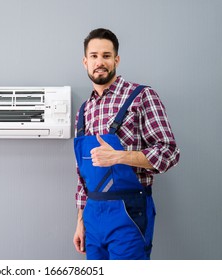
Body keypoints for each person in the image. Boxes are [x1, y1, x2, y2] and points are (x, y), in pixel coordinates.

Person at [73, 28, 180, 260]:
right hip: (92, 216)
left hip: (129, 212)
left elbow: (169, 153)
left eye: (106, 55)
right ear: (85, 62)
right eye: (93, 56)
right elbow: (82, 177)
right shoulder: (84, 110)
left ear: (116, 60)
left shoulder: (141, 96)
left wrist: (119, 156)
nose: (99, 62)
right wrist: (80, 221)